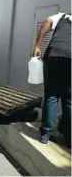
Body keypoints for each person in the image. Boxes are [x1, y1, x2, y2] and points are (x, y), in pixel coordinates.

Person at [33, 12, 71, 147]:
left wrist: (37, 45)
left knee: (51, 96)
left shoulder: (62, 16)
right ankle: (69, 138)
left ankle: (45, 135)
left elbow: (47, 21)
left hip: (54, 55)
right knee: (69, 100)